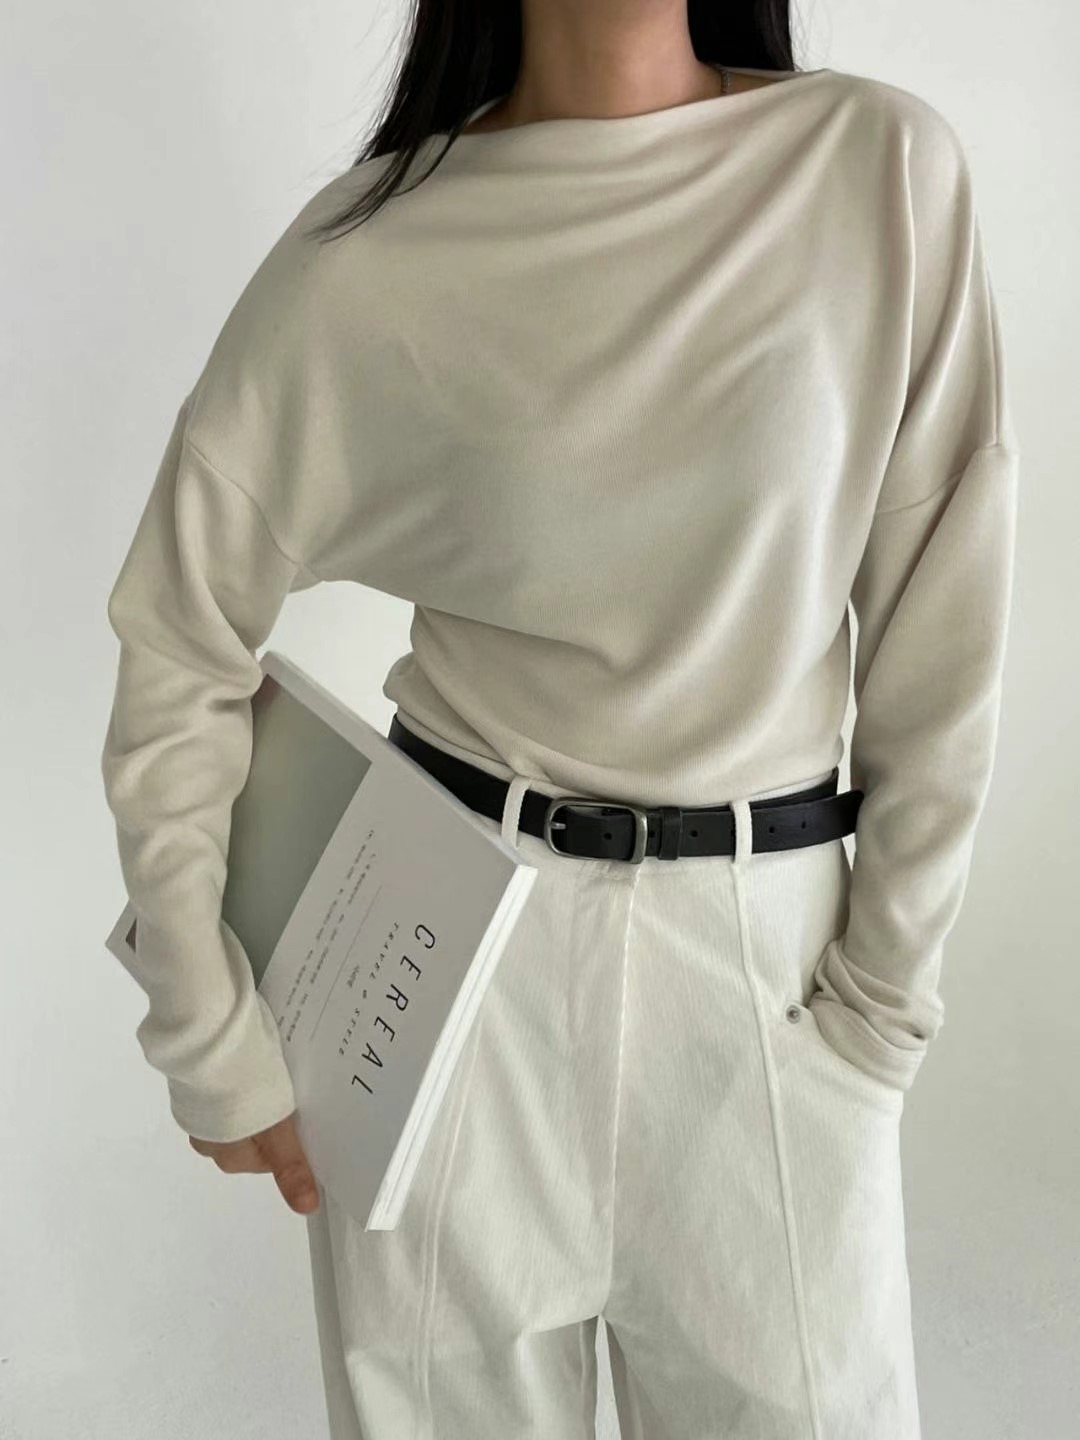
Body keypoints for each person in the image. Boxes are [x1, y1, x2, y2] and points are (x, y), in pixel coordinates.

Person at [99, 2, 1020, 1436]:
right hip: (449, 985)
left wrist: (877, 1018)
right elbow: (178, 630)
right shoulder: (374, 250)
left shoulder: (875, 173)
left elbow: (940, 632)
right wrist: (205, 1023)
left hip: (771, 984)